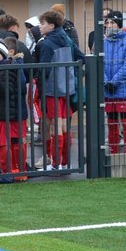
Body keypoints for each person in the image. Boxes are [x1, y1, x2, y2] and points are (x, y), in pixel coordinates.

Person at [37, 9, 83, 170]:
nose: (40, 26)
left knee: (55, 128)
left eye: (42, 23)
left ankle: (55, 163)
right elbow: (81, 57)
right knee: (64, 126)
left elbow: (44, 70)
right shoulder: (67, 39)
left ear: (51, 25)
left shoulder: (47, 43)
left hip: (52, 90)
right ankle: (65, 162)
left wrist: (39, 88)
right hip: (67, 89)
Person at [0, 40, 29, 180]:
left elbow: (6, 90)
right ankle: (11, 171)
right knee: (7, 143)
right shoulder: (7, 67)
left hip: (6, 112)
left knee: (11, 142)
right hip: (2, 111)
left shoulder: (10, 69)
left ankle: (13, 172)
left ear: (4, 55)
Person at [102, 12, 126, 154]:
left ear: (119, 24)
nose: (109, 26)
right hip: (108, 89)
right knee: (111, 122)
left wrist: (115, 81)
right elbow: (99, 63)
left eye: (112, 23)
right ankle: (113, 152)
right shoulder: (102, 42)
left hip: (123, 87)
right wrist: (106, 82)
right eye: (107, 23)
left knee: (125, 120)